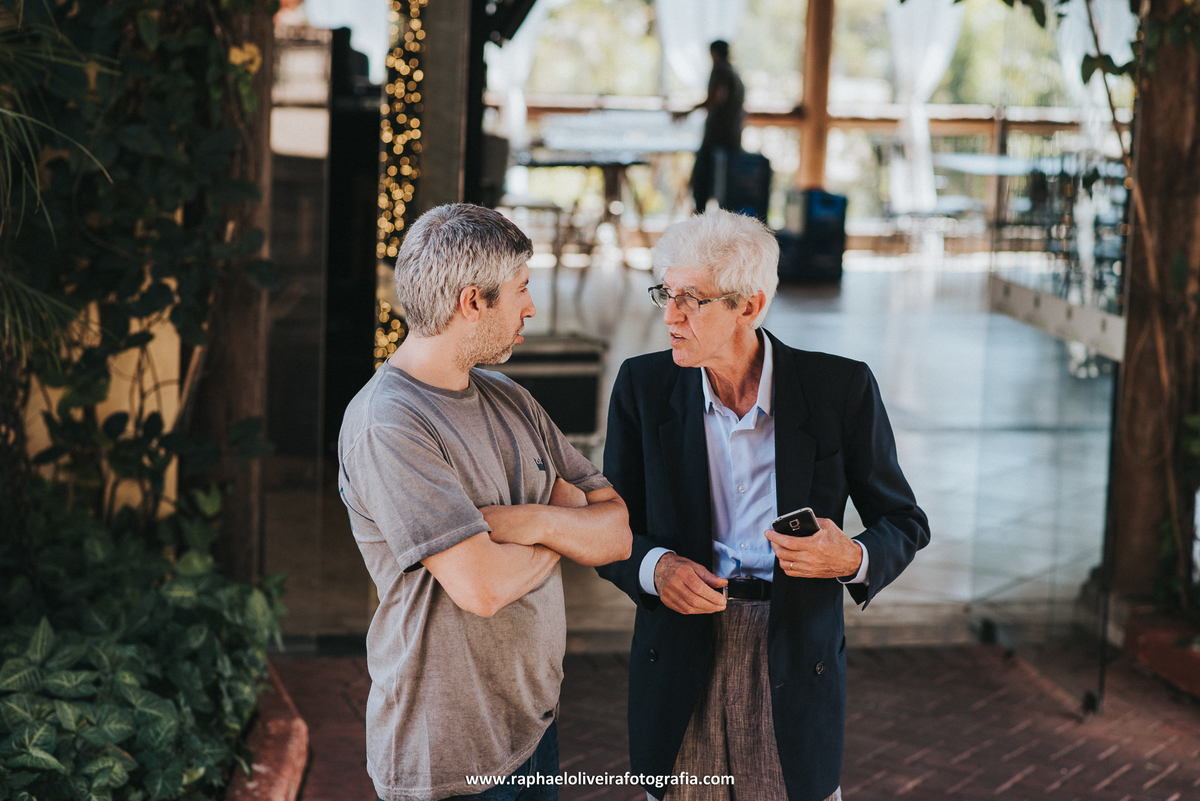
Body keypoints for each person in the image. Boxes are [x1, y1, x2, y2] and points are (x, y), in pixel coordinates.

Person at [597, 209, 930, 801]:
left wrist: (849, 557)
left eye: (691, 300)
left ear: (749, 306)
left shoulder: (840, 390)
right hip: (679, 646)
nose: (670, 317)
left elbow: (904, 521)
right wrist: (656, 569)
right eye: (666, 294)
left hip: (793, 653)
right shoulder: (642, 388)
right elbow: (610, 528)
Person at [338, 203, 632, 801]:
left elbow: (618, 533)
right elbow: (483, 588)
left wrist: (526, 522)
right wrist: (565, 524)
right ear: (473, 302)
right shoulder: (389, 424)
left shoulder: (509, 397)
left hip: (532, 729)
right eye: (522, 290)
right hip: (444, 753)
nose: (531, 307)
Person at [675, 40, 745, 213]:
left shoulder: (720, 71)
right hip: (732, 138)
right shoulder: (735, 75)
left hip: (717, 139)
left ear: (714, 53)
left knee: (702, 186)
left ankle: (700, 227)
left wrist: (688, 112)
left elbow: (715, 98)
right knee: (725, 191)